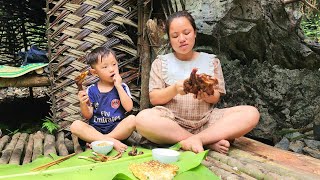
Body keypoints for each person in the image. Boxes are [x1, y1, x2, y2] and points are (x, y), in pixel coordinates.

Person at [135, 10, 260, 154]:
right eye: (175, 36)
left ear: (195, 33)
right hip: (172, 123)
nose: (182, 39)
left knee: (251, 113)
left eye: (186, 33)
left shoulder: (211, 61)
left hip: (207, 122)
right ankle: (204, 141)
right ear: (170, 39)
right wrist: (175, 89)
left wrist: (206, 94)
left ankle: (198, 139)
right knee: (142, 119)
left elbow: (216, 97)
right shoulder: (161, 62)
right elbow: (154, 99)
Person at [70, 47, 135, 152]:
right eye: (105, 67)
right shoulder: (91, 90)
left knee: (132, 119)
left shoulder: (122, 87)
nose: (111, 69)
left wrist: (118, 86)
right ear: (95, 72)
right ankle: (111, 141)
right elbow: (88, 115)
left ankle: (104, 140)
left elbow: (129, 108)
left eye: (114, 64)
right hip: (96, 130)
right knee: (75, 125)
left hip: (118, 129)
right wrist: (83, 103)